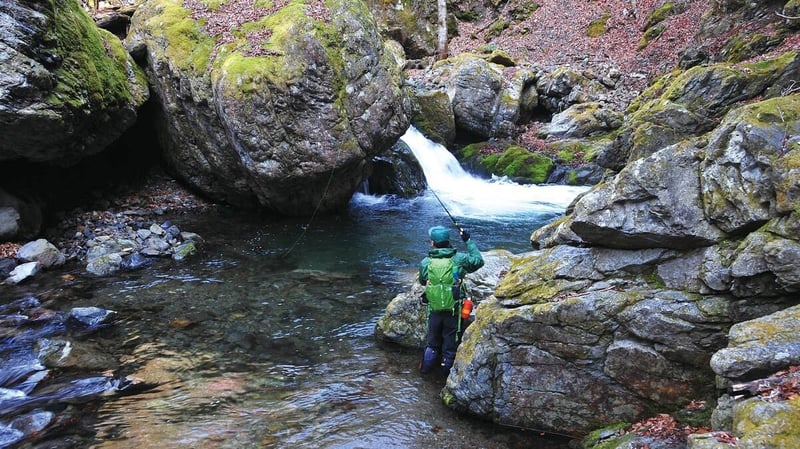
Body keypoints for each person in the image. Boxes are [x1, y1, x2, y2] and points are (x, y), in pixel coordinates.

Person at [419, 225, 484, 376]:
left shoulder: (425, 262)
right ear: (449, 242)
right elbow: (478, 261)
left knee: (432, 344)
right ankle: (445, 378)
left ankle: (425, 373)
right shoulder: (458, 259)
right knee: (450, 347)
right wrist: (468, 240)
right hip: (454, 311)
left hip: (434, 310)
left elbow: (423, 281)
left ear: (432, 243)